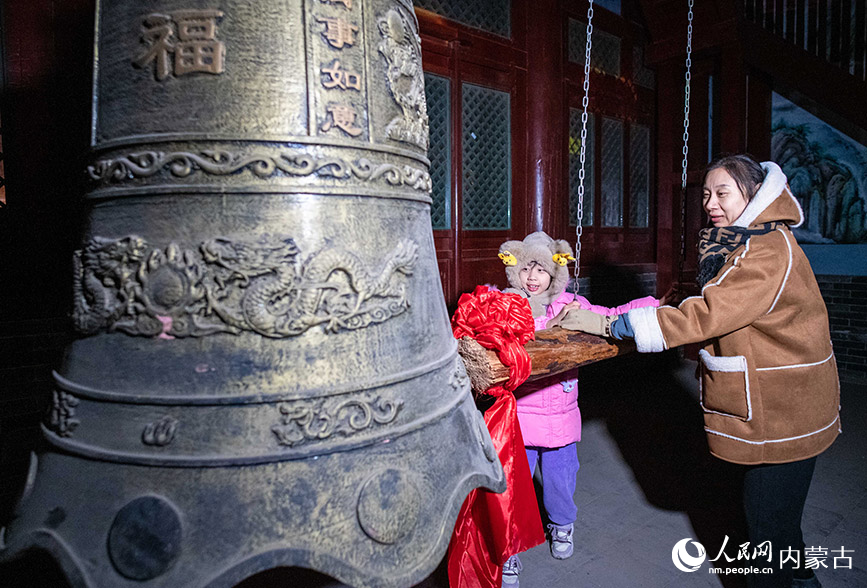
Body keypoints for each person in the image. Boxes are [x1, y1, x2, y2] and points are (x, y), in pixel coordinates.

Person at [561, 155, 839, 588]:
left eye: (723, 192)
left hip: (782, 414)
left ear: (753, 195)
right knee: (779, 536)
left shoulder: (765, 250)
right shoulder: (752, 240)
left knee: (767, 542)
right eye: (707, 194)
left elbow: (708, 313)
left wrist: (611, 324)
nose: (710, 202)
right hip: (783, 406)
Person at [495, 231, 659, 587]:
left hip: (561, 419)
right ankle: (509, 551)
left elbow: (611, 315)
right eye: (526, 270)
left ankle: (562, 526)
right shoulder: (509, 308)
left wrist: (651, 308)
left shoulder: (570, 305)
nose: (532, 278)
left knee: (560, 480)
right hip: (520, 417)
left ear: (555, 274)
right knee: (514, 487)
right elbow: (500, 336)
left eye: (541, 271)